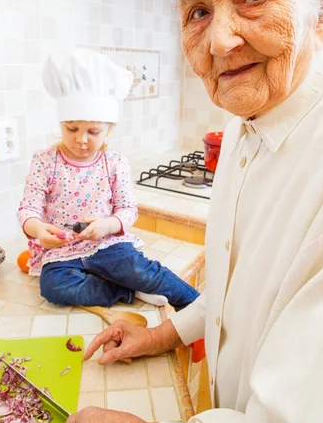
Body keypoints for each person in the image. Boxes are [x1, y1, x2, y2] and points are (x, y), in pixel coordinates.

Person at [62, 0, 323, 423]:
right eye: (197, 11)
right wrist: (164, 333)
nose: (220, 40)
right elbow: (241, 295)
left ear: (322, 14)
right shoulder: (246, 124)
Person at [18, 48, 199, 311]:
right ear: (61, 124)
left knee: (140, 270)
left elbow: (128, 210)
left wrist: (108, 225)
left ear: (109, 128)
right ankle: (125, 290)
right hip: (62, 252)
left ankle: (197, 308)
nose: (81, 139)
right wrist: (37, 230)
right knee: (53, 288)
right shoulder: (44, 161)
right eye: (71, 129)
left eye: (93, 131)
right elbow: (29, 209)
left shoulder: (115, 163)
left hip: (106, 244)